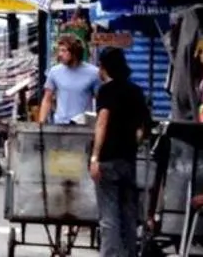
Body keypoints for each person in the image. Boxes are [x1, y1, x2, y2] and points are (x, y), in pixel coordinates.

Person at [90, 47, 152, 257]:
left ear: (104, 67)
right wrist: (132, 142)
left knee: (109, 217)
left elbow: (102, 123)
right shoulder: (135, 91)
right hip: (128, 160)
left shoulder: (106, 91)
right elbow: (144, 128)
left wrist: (95, 156)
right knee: (128, 214)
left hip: (108, 160)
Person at [41, 35, 101, 123]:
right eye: (59, 50)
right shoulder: (54, 71)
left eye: (64, 50)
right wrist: (41, 124)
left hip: (83, 127)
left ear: (75, 52)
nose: (60, 54)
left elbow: (101, 101)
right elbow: (47, 99)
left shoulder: (94, 73)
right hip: (60, 125)